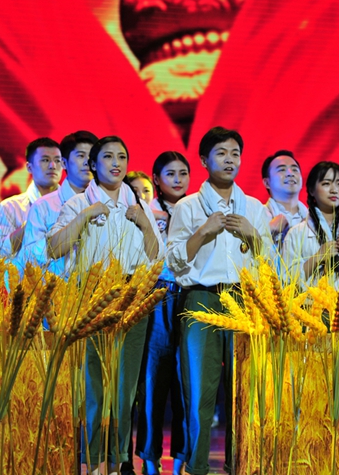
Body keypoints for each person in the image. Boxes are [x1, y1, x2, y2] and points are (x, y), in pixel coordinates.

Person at [47, 136, 164, 475]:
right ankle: (92, 462)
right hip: (92, 297)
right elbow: (53, 249)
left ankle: (116, 461)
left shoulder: (137, 205)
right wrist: (85, 216)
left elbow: (157, 258)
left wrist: (144, 224)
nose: (116, 163)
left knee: (124, 388)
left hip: (133, 299)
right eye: (108, 157)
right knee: (94, 385)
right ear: (93, 165)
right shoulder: (78, 203)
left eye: (122, 157)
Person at [167, 127, 271, 475]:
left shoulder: (254, 208)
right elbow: (174, 263)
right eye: (221, 153)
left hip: (244, 300)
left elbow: (271, 264)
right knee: (199, 389)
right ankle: (196, 466)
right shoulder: (188, 207)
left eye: (235, 154)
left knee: (243, 389)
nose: (230, 160)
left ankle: (240, 462)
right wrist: (203, 232)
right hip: (201, 299)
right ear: (204, 160)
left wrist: (254, 236)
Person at [135, 151, 191, 475]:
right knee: (153, 383)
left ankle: (182, 459)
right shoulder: (146, 211)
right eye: (170, 174)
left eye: (183, 173)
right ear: (156, 179)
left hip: (191, 298)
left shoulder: (197, 210)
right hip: (157, 297)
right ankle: (149, 458)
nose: (178, 179)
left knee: (187, 385)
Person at [283, 161, 339, 290]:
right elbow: (288, 283)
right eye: (326, 183)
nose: (334, 190)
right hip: (311, 303)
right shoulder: (296, 234)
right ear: (311, 190)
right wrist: (317, 258)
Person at [19, 130, 97, 277]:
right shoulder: (43, 206)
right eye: (81, 156)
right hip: (55, 288)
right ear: (64, 163)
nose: (87, 162)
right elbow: (29, 258)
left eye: (92, 156)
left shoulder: (107, 204)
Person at [0, 137, 62, 266]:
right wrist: (31, 224)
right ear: (29, 167)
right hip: (21, 278)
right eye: (45, 160)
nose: (53, 166)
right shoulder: (9, 207)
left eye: (57, 160)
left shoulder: (73, 205)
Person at [261, 150, 307, 246]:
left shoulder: (315, 220)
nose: (290, 173)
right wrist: (269, 231)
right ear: (267, 183)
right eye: (282, 169)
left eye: (295, 169)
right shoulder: (258, 216)